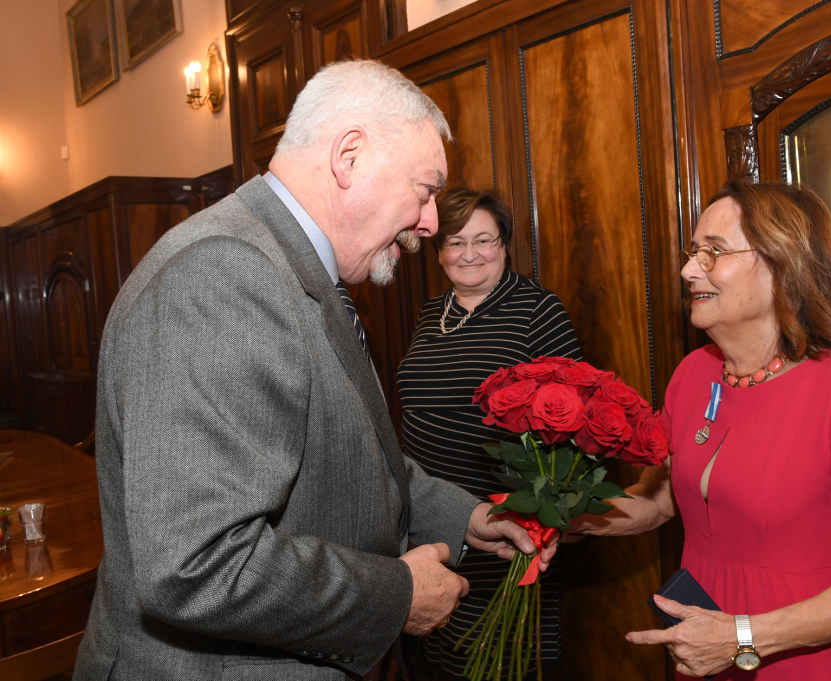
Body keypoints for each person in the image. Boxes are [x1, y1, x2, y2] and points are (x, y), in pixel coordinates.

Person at [73, 60, 556, 681]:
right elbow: (196, 564)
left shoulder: (292, 265)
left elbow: (341, 453)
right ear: (349, 156)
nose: (432, 222)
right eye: (427, 189)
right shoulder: (224, 275)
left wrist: (464, 517)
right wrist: (396, 597)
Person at [572, 179, 831, 679]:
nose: (687, 269)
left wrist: (743, 635)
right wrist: (563, 518)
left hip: (809, 657)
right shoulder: (694, 373)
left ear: (784, 266)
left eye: (713, 252)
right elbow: (660, 501)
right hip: (705, 647)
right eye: (693, 251)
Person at [396, 188, 583, 679]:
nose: (470, 254)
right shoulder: (429, 314)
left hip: (500, 530)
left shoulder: (537, 311)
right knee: (431, 661)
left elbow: (575, 421)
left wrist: (542, 513)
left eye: (484, 240)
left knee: (494, 664)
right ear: (438, 251)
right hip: (427, 523)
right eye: (455, 242)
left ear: (504, 244)